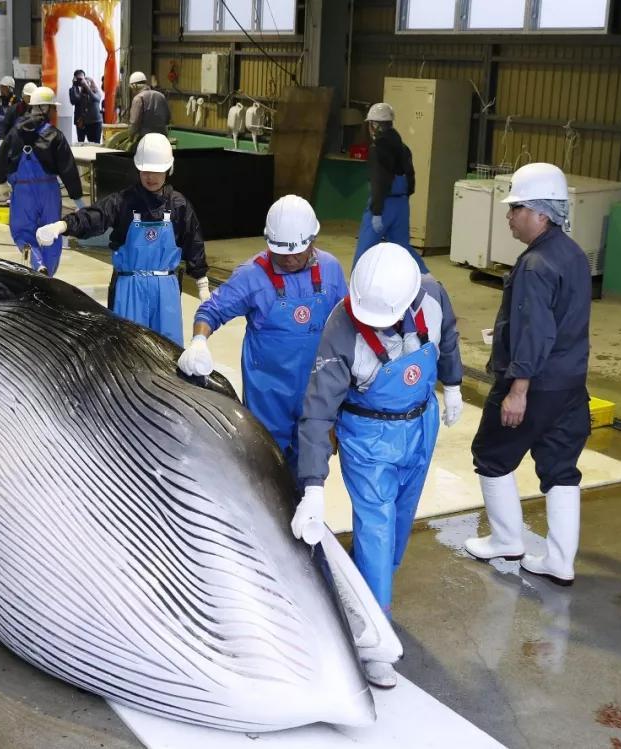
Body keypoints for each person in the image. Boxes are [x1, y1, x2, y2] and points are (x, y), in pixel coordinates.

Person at [290, 242, 462, 688]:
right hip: (369, 440)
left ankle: (365, 589)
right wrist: (312, 484)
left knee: (399, 525)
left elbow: (450, 336)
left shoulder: (433, 295)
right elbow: (318, 410)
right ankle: (374, 638)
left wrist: (455, 382)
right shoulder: (341, 328)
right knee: (377, 529)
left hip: (421, 426)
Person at [463, 163, 591, 587]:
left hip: (533, 385)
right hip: (570, 387)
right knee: (561, 469)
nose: (509, 216)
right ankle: (559, 561)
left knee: (492, 455)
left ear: (540, 213)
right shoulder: (573, 253)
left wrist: (517, 390)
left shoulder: (535, 264)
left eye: (516, 207)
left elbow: (536, 333)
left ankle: (506, 539)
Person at [182, 196, 347, 466]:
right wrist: (199, 340)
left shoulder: (330, 269)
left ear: (312, 242)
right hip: (269, 399)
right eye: (281, 253)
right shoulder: (251, 276)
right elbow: (210, 310)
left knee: (312, 471)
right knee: (270, 467)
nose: (290, 259)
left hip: (316, 394)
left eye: (297, 252)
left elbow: (347, 323)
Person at [36, 133, 208, 346]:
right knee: (127, 347)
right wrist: (62, 226)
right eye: (146, 170)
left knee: (169, 349)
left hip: (165, 290)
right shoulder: (123, 202)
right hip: (129, 287)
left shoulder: (179, 205)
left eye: (156, 171)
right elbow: (95, 216)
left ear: (168, 170)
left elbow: (194, 240)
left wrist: (202, 282)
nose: (150, 177)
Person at [0, 86, 83, 276]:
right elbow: (68, 168)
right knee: (51, 233)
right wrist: (77, 198)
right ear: (45, 108)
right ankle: (47, 276)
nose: (55, 112)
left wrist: (2, 182)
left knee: (23, 233)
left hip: (23, 193)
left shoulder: (14, 133)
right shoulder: (55, 135)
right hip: (49, 192)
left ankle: (37, 263)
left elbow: (0, 159)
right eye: (53, 108)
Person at [354, 102, 425, 273]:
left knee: (365, 251)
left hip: (383, 205)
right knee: (403, 250)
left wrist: (377, 212)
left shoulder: (377, 148)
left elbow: (379, 181)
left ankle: (356, 293)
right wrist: (403, 200)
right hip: (401, 205)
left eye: (370, 124)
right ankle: (425, 279)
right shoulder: (403, 147)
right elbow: (411, 178)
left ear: (375, 125)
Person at [126, 71, 170, 145]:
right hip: (162, 139)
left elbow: (135, 122)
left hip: (145, 140)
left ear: (134, 85)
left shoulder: (138, 99)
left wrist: (130, 137)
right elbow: (168, 118)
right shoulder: (161, 96)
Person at [69, 69, 103, 144]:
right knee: (81, 142)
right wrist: (74, 86)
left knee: (94, 143)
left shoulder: (95, 91)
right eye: (78, 79)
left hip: (95, 122)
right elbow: (75, 100)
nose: (82, 82)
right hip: (82, 121)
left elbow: (96, 99)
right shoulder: (77, 91)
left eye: (82, 79)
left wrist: (87, 87)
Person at [0, 75, 16, 149]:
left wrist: (6, 118)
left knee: (9, 146)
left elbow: (17, 117)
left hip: (10, 129)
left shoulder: (16, 100)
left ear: (9, 88)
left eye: (3, 87)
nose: (1, 89)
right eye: (1, 87)